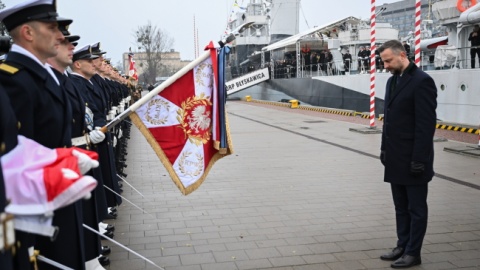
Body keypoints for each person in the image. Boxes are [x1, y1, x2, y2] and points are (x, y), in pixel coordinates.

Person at [0, 1, 90, 269]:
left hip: (55, 195)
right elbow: (13, 159)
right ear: (28, 33)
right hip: (33, 209)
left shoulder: (44, 76)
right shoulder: (13, 79)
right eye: (52, 28)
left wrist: (66, 157)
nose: (61, 36)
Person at [378, 40, 437, 269]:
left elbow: (425, 126)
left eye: (388, 60)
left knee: (416, 208)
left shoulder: (422, 82)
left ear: (402, 55)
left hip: (414, 159)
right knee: (400, 207)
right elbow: (389, 120)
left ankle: (414, 253)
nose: (385, 65)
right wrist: (384, 148)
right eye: (383, 61)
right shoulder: (393, 81)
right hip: (395, 157)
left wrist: (419, 160)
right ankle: (402, 245)